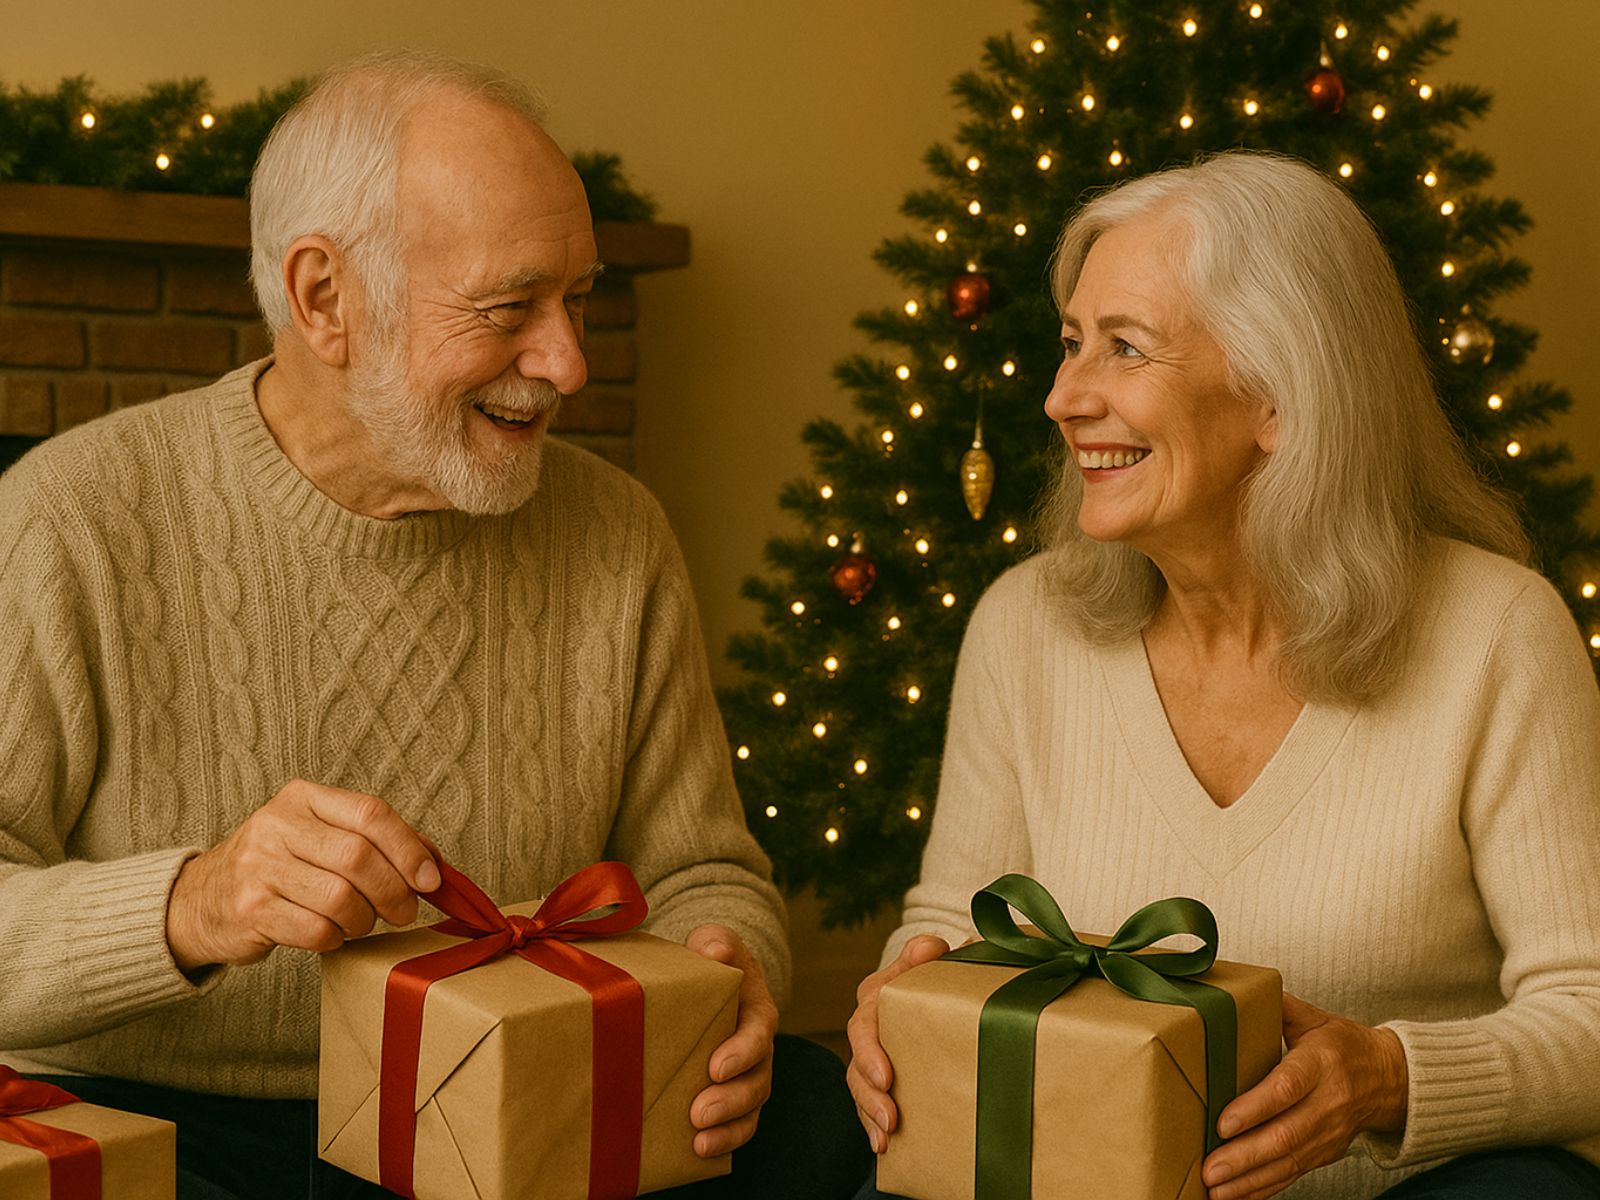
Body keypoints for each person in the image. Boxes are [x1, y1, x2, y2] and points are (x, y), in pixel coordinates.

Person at [0, 50, 867, 1200]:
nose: (568, 363)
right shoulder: (70, 517)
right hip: (158, 1120)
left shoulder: (618, 531)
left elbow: (703, 867)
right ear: (323, 299)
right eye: (509, 307)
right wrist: (195, 900)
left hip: (509, 1091)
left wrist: (727, 973)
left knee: (825, 1120)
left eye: (579, 298)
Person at [846, 151, 1600, 1200]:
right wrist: (900, 994)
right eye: (1070, 345)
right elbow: (947, 927)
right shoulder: (1023, 625)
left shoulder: (1498, 633)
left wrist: (1387, 1076)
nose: (1064, 397)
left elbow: (1591, 1010)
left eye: (1123, 348)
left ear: (1281, 396)